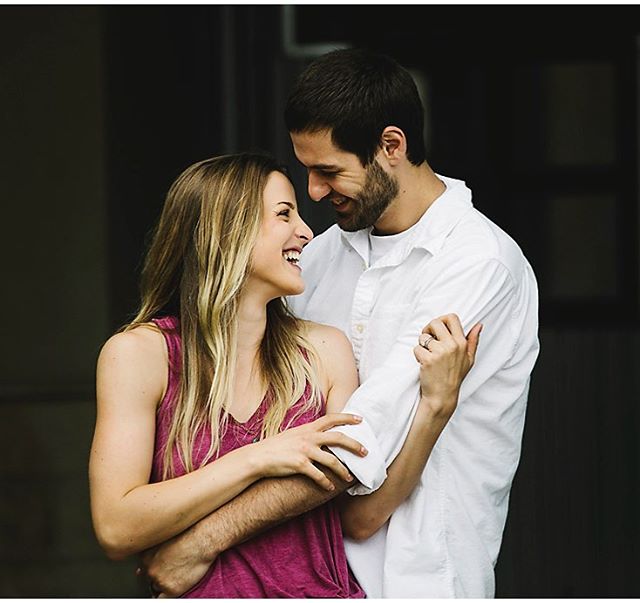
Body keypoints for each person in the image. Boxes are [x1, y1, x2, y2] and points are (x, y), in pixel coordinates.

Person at [139, 48, 539, 599]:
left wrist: (203, 541)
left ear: (391, 146)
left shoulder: (476, 262)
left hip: (420, 577)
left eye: (328, 171)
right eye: (306, 170)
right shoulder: (316, 259)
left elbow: (354, 447)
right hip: (298, 579)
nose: (314, 193)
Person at [89, 152, 480, 597]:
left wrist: (435, 408)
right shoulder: (141, 355)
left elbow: (360, 518)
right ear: (226, 230)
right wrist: (258, 458)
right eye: (283, 214)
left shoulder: (323, 352)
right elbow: (116, 527)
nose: (306, 232)